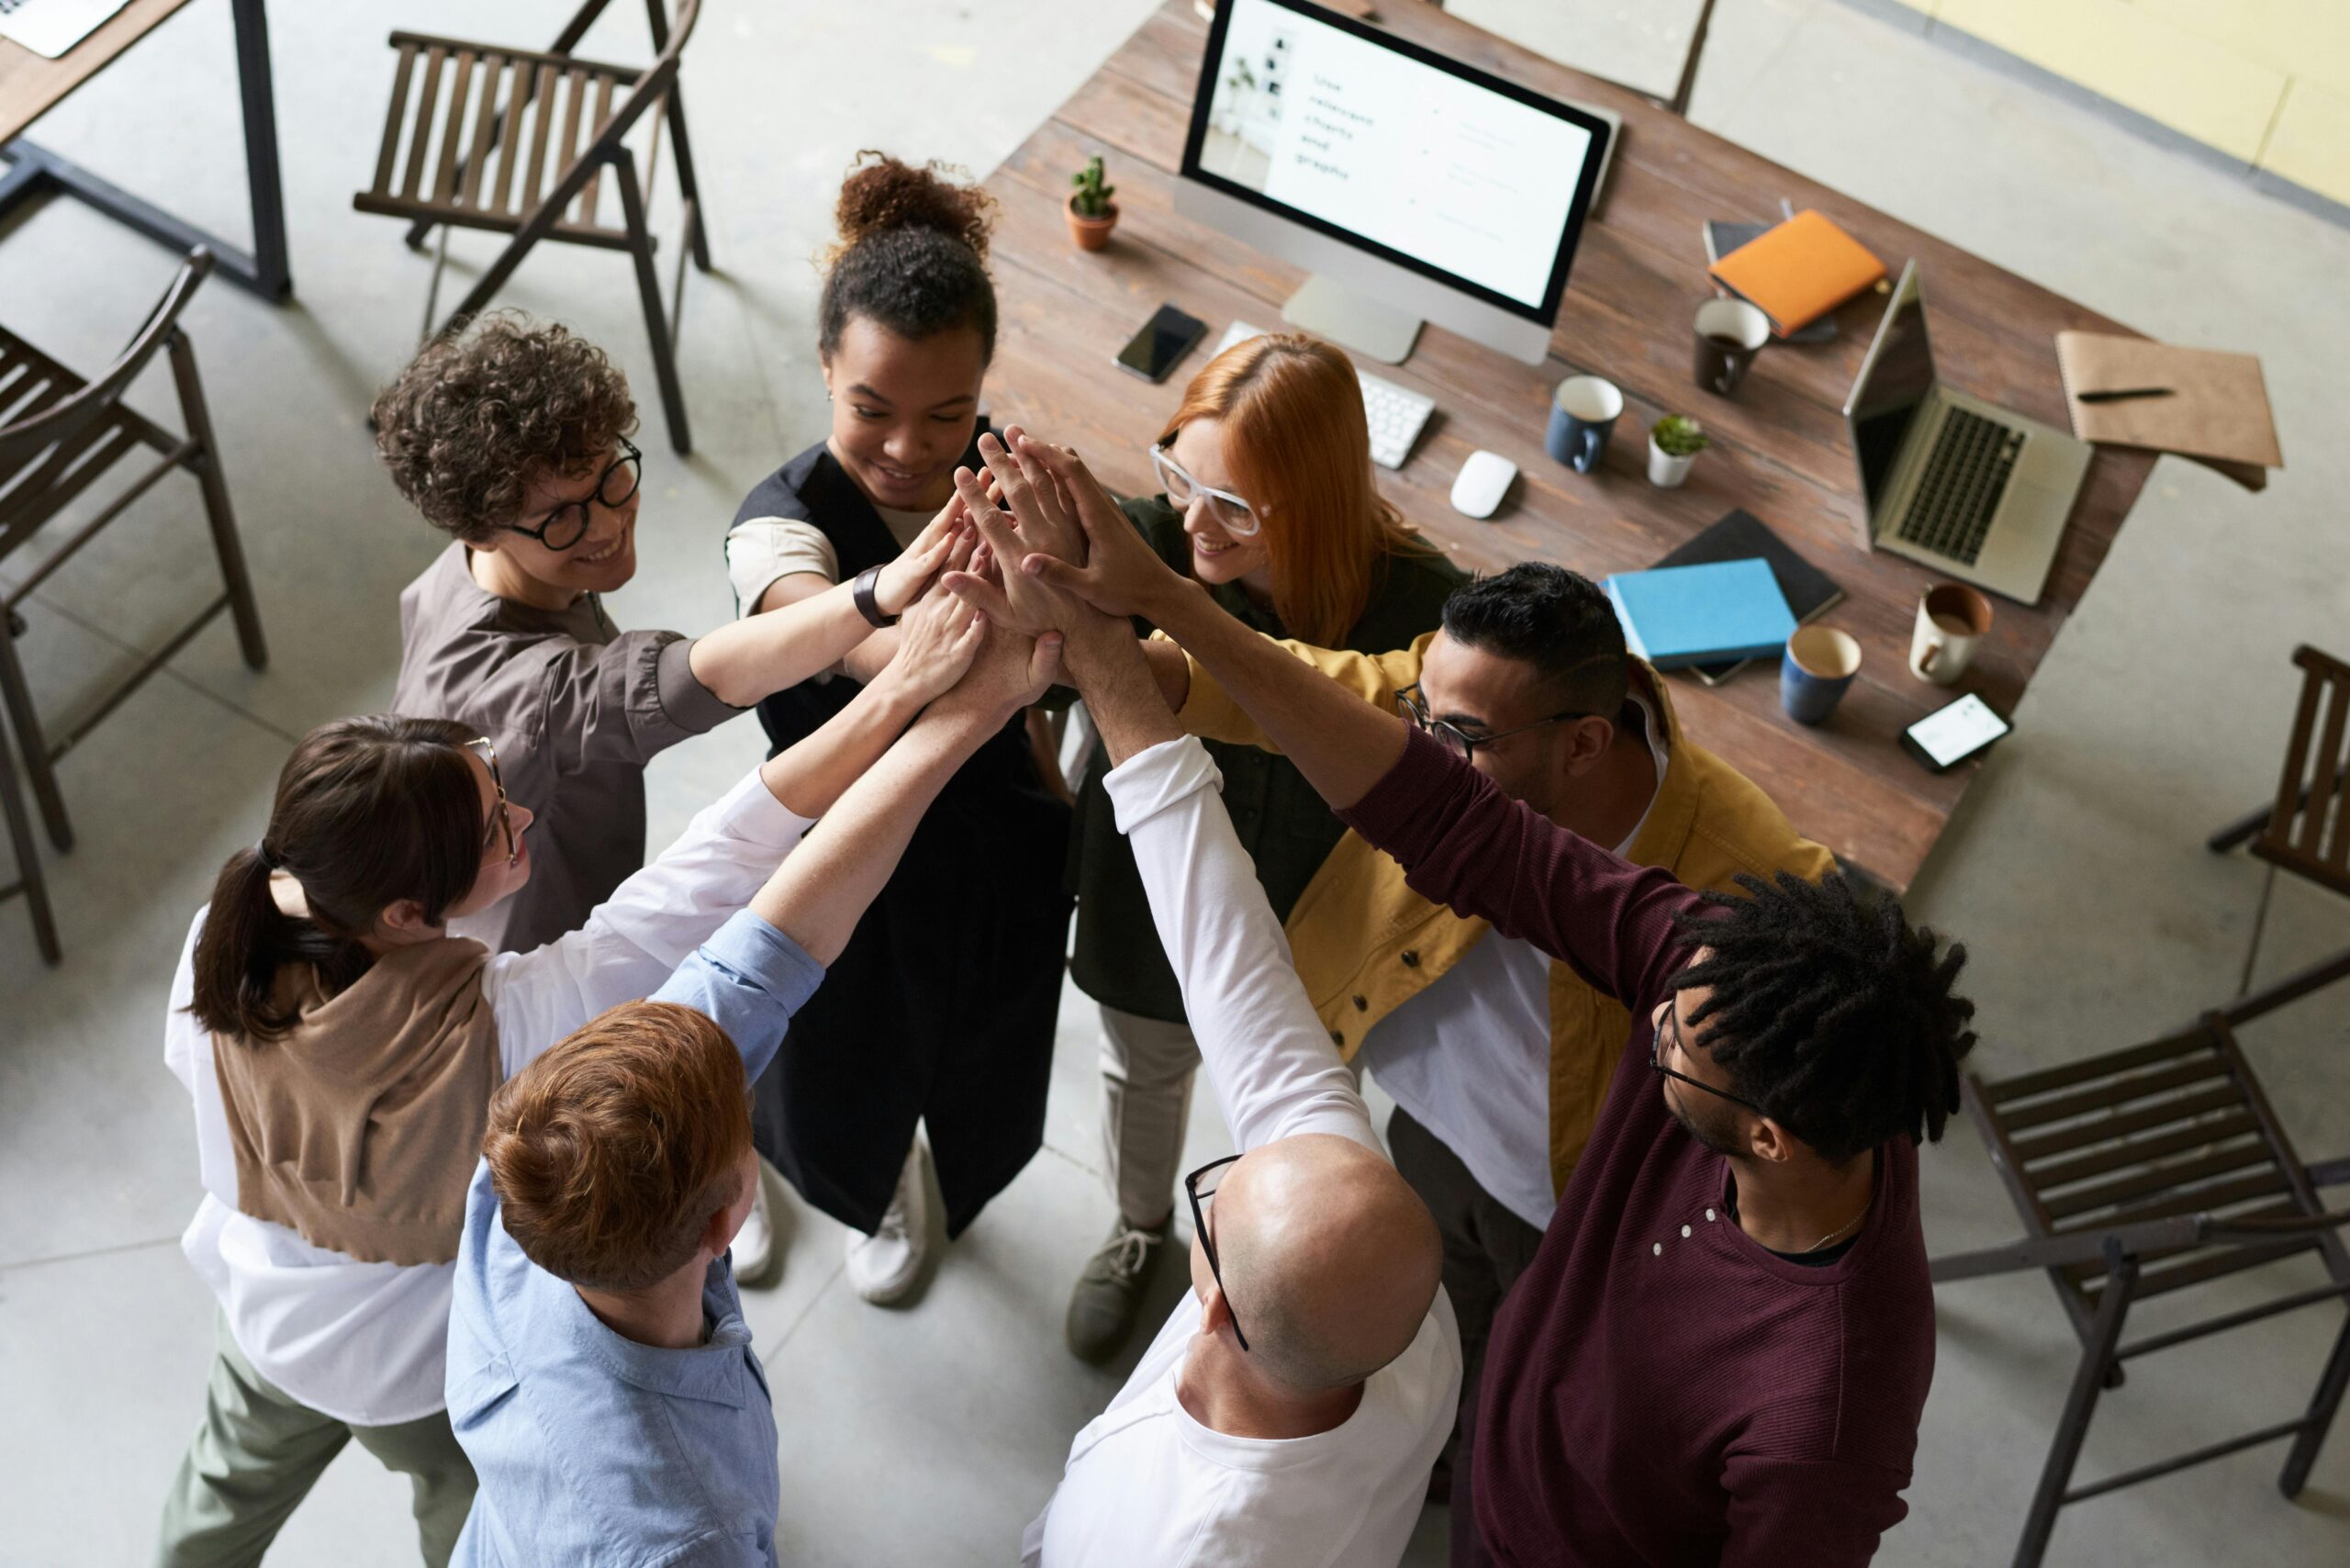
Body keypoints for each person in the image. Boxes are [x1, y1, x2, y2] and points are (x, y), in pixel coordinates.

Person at [966, 431, 1979, 1567]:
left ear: (1762, 1134)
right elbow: (1450, 817)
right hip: (1492, 1441)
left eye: (1672, 1049)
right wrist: (1148, 610)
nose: (1649, 1019)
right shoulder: (1719, 973)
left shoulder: (1827, 1409)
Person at [153, 595, 982, 1568]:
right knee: (473, 1520)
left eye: (495, 785)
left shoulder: (225, 937)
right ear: (412, 911)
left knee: (211, 1514)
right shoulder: (515, 1027)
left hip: (263, 1317)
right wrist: (901, 693)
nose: (523, 817)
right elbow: (716, 867)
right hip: (416, 1373)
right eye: (497, 829)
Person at [1165, 563, 1833, 1535]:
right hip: (1428, 1133)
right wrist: (1133, 657)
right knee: (1426, 1329)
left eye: (1459, 740)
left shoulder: (1744, 876)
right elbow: (1298, 689)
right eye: (1421, 714)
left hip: (1563, 1208)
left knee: (1518, 1408)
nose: (1419, 756)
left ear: (1586, 742)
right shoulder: (1458, 694)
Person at [446, 619, 1063, 1567]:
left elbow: (772, 945)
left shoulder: (526, 1186)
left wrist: (973, 706)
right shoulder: (687, 1532)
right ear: (728, 1217)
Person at [945, 447, 1459, 1568]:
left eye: (1210, 1198)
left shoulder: (1196, 1544)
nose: (1238, 1159)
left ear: (1212, 1304)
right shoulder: (1400, 1323)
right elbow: (1233, 962)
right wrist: (1100, 648)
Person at [378, 314, 962, 1282]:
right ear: (479, 524)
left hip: (572, 911)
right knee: (666, 1077)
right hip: (544, 964)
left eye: (613, 475)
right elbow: (692, 678)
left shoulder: (465, 575)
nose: (605, 521)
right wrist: (877, 596)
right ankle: (714, 1183)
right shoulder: (518, 689)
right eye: (563, 517)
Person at [1060, 334, 1464, 1364]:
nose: (1191, 521)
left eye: (1233, 504)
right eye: (1178, 475)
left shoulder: (1427, 617)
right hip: (1152, 911)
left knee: (1293, 1135)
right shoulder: (1138, 546)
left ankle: (1261, 1283)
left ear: (1317, 502)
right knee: (1141, 1076)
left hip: (1323, 940)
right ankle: (1139, 1227)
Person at [721, 153, 1071, 1305]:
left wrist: (1050, 768)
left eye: (947, 415)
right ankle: (756, 1179)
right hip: (834, 839)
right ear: (824, 366)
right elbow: (822, 630)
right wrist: (928, 644)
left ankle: (903, 1190)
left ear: (985, 388)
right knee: (809, 1050)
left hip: (985, 847)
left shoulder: (1022, 486)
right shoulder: (779, 529)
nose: (910, 449)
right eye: (870, 407)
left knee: (970, 1057)